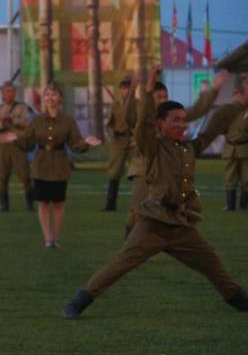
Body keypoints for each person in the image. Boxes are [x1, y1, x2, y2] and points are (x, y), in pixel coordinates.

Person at [63, 97, 248, 318]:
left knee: (211, 262)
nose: (181, 124)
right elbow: (143, 124)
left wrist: (231, 100)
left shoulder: (188, 148)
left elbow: (212, 129)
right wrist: (148, 90)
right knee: (122, 263)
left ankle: (238, 300)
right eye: (175, 120)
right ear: (160, 123)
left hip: (180, 224)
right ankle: (78, 302)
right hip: (153, 223)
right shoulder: (152, 146)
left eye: (184, 120)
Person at [125, 67, 224, 235]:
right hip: (144, 169)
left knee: (172, 211)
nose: (163, 100)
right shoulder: (144, 115)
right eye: (159, 96)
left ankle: (172, 241)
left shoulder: (172, 116)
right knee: (138, 212)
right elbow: (129, 117)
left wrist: (213, 89)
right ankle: (131, 243)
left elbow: (197, 110)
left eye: (165, 96)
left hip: (165, 171)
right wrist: (134, 89)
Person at [12, 82, 101, 248]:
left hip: (60, 166)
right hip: (41, 165)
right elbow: (28, 143)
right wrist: (15, 138)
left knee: (58, 203)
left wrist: (86, 142)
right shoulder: (36, 121)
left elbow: (75, 144)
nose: (50, 98)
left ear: (61, 98)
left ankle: (55, 238)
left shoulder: (68, 121)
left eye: (54, 94)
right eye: (47, 95)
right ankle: (48, 239)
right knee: (43, 203)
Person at [0, 81, 33, 212]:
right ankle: (4, 204)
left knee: (24, 175)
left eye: (13, 91)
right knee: (1, 175)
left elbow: (27, 122)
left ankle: (30, 203)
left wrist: (13, 120)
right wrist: (2, 124)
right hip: (3, 145)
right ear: (2, 94)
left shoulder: (22, 108)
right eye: (8, 91)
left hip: (17, 143)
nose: (11, 94)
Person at [102, 77, 136, 212]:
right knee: (114, 173)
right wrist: (112, 134)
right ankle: (110, 205)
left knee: (138, 172)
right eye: (123, 89)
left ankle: (139, 203)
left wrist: (136, 136)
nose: (125, 91)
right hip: (118, 141)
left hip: (134, 142)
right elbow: (109, 124)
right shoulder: (115, 105)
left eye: (128, 88)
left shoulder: (138, 104)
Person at [221, 76, 248, 211]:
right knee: (230, 178)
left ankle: (244, 205)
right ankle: (230, 206)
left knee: (246, 178)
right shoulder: (228, 110)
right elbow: (221, 128)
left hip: (244, 148)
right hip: (230, 147)